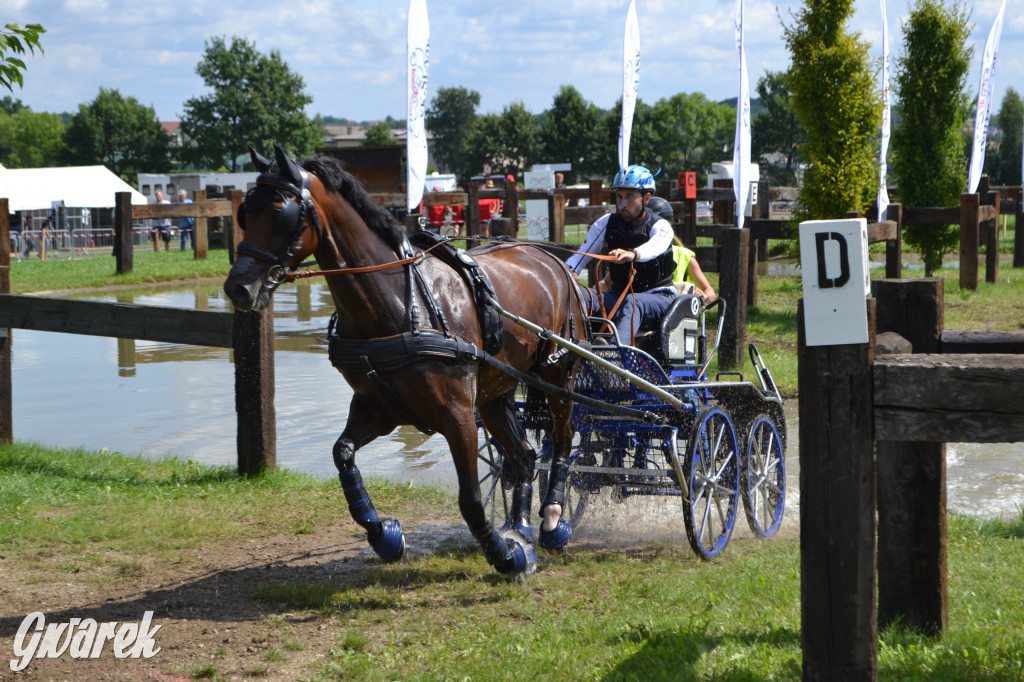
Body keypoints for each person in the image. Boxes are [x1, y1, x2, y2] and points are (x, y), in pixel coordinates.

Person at [566, 165, 708, 345]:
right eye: (619, 196)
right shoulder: (606, 223)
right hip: (618, 296)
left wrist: (633, 254)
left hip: (659, 298)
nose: (622, 203)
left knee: (633, 303)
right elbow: (581, 255)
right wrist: (569, 270)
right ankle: (573, 347)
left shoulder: (661, 226)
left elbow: (656, 246)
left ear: (646, 198)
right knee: (578, 294)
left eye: (630, 196)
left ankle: (615, 359)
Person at [645, 196, 716, 301]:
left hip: (678, 313)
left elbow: (711, 293)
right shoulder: (635, 254)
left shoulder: (685, 256)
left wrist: (704, 296)